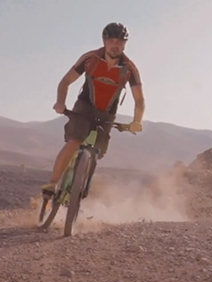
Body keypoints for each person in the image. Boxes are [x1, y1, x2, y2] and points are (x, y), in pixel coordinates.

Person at [42, 22, 145, 196]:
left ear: (125, 44)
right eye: (111, 40)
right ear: (104, 41)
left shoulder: (129, 69)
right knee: (74, 141)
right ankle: (52, 184)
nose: (115, 45)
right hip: (84, 108)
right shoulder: (91, 59)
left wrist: (137, 121)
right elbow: (65, 81)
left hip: (107, 114)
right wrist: (60, 102)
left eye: (119, 41)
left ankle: (78, 193)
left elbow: (139, 99)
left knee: (97, 152)